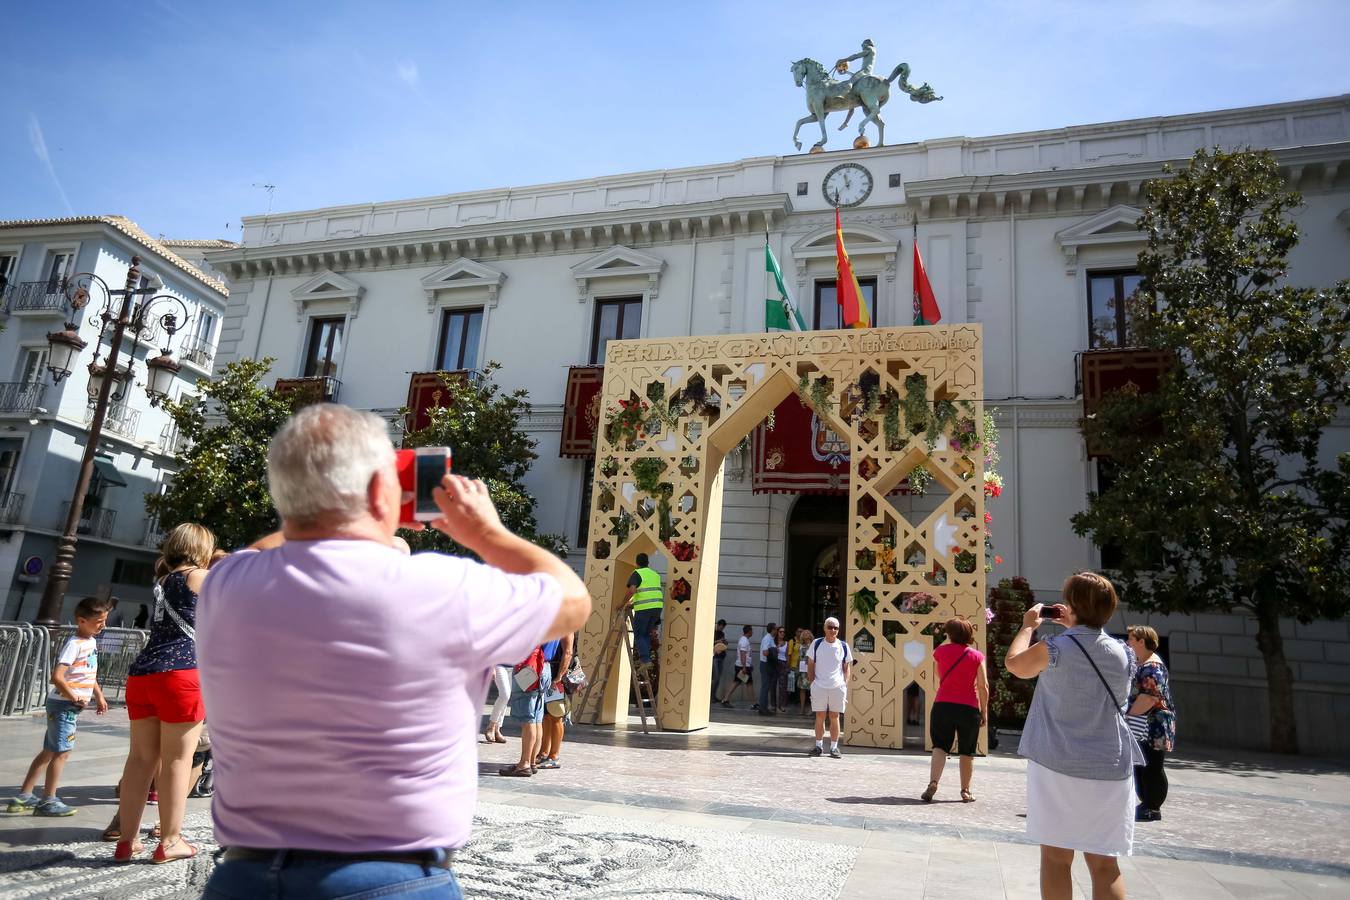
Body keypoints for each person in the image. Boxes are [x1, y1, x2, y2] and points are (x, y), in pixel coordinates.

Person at [198, 404, 590, 899]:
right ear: (379, 488)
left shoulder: (227, 585)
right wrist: (484, 532)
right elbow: (573, 601)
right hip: (392, 880)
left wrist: (348, 504)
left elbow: (266, 545)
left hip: (244, 880)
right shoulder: (442, 588)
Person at [1005, 572, 1144, 900]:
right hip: (1110, 765)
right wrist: (1078, 625)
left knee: (1056, 858)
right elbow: (1091, 647)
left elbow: (1015, 665)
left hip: (1057, 762)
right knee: (1104, 863)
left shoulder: (1054, 648)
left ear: (1073, 605)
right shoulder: (1124, 653)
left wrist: (1028, 626)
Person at [113, 523, 215, 864]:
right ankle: (170, 841)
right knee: (176, 759)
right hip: (182, 674)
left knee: (140, 760)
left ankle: (127, 842)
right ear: (202, 548)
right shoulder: (200, 577)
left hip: (144, 672)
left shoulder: (163, 582)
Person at [7, 596, 111, 816]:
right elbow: (57, 677)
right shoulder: (74, 645)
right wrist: (73, 697)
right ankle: (48, 800)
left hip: (68, 704)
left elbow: (88, 673)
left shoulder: (91, 642)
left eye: (104, 621)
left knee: (49, 750)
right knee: (61, 752)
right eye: (99, 621)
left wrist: (99, 696)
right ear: (82, 621)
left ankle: (24, 796)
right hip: (63, 705)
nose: (103, 626)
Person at [922, 617, 989, 803]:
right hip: (968, 708)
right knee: (967, 751)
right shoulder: (977, 656)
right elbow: (983, 686)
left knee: (940, 747)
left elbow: (938, 674)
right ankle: (965, 791)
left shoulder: (940, 651)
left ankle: (933, 782)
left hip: (943, 705)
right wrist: (984, 711)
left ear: (949, 634)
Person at [1126, 625, 1176, 823]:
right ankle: (1146, 803)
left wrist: (1127, 715)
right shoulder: (1143, 664)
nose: (1128, 643)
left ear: (1141, 642)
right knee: (1142, 763)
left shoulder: (1152, 667)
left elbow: (1149, 697)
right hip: (1144, 722)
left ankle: (1152, 807)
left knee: (1152, 765)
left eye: (1131, 639)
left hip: (1153, 723)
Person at [806, 617, 853, 758]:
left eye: (836, 628)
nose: (833, 630)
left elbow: (846, 667)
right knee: (820, 716)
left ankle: (834, 747)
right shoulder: (817, 643)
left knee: (835, 716)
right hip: (819, 685)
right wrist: (812, 682)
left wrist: (845, 683)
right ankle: (818, 746)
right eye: (830, 627)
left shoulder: (843, 646)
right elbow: (810, 664)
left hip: (837, 687)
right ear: (825, 628)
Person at [505, 643, 551, 777]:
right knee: (536, 718)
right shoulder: (558, 625)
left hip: (530, 665)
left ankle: (524, 764)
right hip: (544, 666)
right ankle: (531, 762)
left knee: (528, 719)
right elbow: (567, 652)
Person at [538, 633, 574, 769]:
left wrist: (559, 676)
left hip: (556, 673)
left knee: (556, 715)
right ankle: (543, 752)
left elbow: (568, 652)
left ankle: (554, 756)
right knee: (546, 716)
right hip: (547, 671)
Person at [624, 553, 664, 677]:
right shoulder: (655, 575)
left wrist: (623, 603)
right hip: (657, 608)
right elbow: (646, 592)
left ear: (636, 563)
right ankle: (645, 658)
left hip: (644, 609)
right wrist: (632, 602)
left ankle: (645, 660)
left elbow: (632, 590)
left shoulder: (637, 573)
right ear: (648, 563)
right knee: (646, 633)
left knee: (639, 634)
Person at [723, 625, 755, 708]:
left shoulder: (744, 640)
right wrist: (744, 667)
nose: (752, 632)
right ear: (749, 631)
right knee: (749, 684)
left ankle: (725, 699)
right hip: (743, 667)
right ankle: (754, 703)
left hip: (742, 666)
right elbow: (743, 654)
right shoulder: (744, 641)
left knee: (737, 682)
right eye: (752, 630)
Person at [483, 665, 511, 744]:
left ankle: (497, 729)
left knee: (506, 698)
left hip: (513, 665)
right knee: (505, 695)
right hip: (499, 664)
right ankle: (491, 726)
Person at [758, 622, 778, 715]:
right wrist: (773, 653)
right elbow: (765, 652)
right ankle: (762, 709)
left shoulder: (770, 638)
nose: (777, 630)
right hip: (766, 665)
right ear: (772, 629)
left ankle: (764, 707)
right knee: (765, 687)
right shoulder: (767, 639)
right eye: (776, 629)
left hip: (767, 665)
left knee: (766, 687)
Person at [796, 629, 813, 714]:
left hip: (810, 669)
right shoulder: (801, 646)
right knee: (802, 689)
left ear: (810, 636)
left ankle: (811, 708)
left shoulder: (813, 646)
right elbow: (799, 657)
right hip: (802, 669)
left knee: (811, 690)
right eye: (804, 633)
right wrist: (797, 667)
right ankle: (802, 709)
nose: (806, 634)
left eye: (807, 633)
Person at [711, 619, 728, 703]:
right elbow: (709, 642)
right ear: (718, 625)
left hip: (721, 656)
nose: (722, 629)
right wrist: (718, 641)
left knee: (718, 678)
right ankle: (711, 696)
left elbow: (723, 644)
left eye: (723, 627)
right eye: (721, 627)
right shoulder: (712, 632)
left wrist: (724, 642)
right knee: (716, 677)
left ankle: (713, 695)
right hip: (714, 657)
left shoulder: (722, 633)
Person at [774, 626, 790, 712]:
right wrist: (777, 646)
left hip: (783, 664)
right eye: (780, 632)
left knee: (782, 686)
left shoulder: (787, 643)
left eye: (784, 632)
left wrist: (788, 666)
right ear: (777, 632)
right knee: (773, 684)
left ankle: (781, 705)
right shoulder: (773, 642)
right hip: (775, 663)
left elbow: (787, 655)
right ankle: (773, 705)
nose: (782, 633)